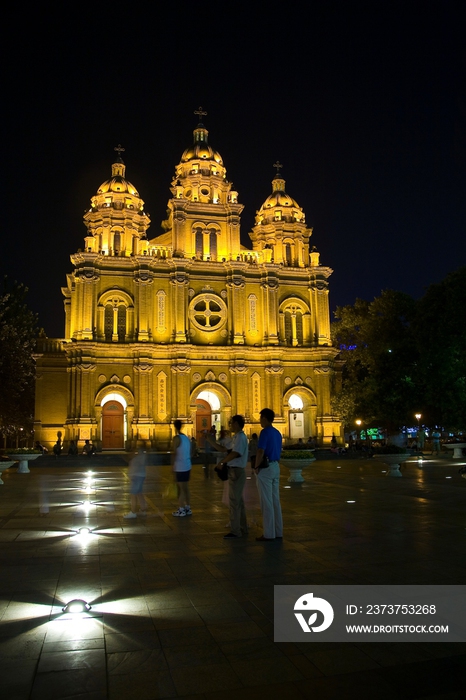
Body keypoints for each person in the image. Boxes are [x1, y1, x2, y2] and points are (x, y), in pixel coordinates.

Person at [206, 415, 248, 539]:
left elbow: (235, 453)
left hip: (237, 472)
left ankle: (236, 531)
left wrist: (222, 462)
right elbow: (224, 449)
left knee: (234, 502)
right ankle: (242, 528)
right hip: (234, 471)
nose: (230, 425)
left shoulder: (240, 437)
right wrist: (210, 441)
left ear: (236, 423)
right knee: (238, 501)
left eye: (231, 423)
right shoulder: (236, 437)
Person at [254, 408, 283, 541]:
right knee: (275, 500)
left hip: (265, 468)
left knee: (266, 501)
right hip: (276, 466)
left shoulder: (265, 432)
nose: (260, 421)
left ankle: (269, 534)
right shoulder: (277, 433)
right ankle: (278, 531)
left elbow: (260, 451)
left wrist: (256, 466)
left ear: (265, 418)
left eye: (261, 418)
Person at [171, 420, 192, 517]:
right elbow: (191, 451)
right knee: (186, 487)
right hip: (187, 465)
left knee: (181, 488)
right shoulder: (186, 438)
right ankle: (187, 507)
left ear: (174, 427)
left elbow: (174, 453)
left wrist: (172, 466)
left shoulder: (176, 438)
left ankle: (181, 509)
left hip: (179, 466)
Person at [124, 448, 148, 518]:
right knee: (139, 493)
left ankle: (133, 512)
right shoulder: (141, 456)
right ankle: (143, 510)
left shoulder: (139, 457)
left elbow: (136, 465)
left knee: (133, 494)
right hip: (140, 476)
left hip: (137, 476)